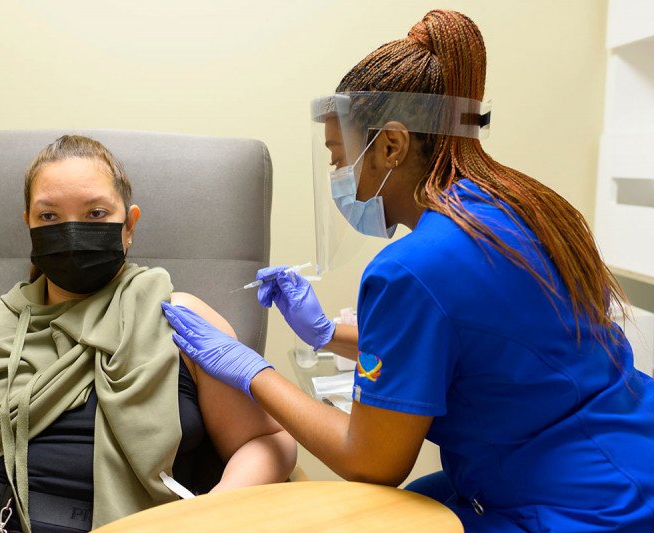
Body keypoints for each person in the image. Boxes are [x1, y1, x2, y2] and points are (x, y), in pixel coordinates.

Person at [162, 10, 654, 532]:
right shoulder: (524, 205)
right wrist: (329, 334)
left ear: (392, 145)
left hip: (583, 509)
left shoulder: (410, 268)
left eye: (339, 158)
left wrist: (249, 371)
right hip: (626, 449)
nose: (337, 176)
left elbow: (371, 463)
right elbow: (476, 342)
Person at [0, 135, 296, 533]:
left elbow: (265, 440)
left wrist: (210, 516)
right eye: (49, 216)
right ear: (29, 225)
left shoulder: (181, 319)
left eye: (96, 213)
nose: (72, 231)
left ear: (129, 226)